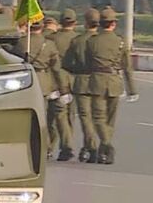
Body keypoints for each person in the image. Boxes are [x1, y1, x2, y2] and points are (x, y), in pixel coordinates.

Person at [86, 7, 138, 165]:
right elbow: (127, 67)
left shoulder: (92, 41)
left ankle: (106, 145)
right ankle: (105, 150)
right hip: (115, 82)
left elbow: (87, 62)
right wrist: (132, 90)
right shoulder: (121, 42)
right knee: (110, 120)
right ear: (113, 24)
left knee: (98, 118)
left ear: (100, 24)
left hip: (97, 81)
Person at [16, 20, 71, 159]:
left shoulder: (21, 42)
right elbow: (56, 68)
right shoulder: (49, 44)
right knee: (46, 117)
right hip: (45, 82)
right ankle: (50, 147)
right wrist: (63, 89)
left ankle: (44, 147)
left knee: (35, 117)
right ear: (41, 27)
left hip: (27, 80)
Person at [63, 8, 101, 162]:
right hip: (100, 81)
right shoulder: (102, 40)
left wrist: (77, 69)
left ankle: (91, 147)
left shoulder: (77, 41)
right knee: (98, 117)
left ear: (85, 22)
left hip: (82, 81)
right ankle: (93, 146)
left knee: (85, 117)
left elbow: (67, 63)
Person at [46, 9, 79, 161]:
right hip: (72, 79)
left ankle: (52, 146)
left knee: (54, 116)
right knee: (69, 115)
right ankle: (67, 145)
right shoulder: (78, 39)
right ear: (75, 22)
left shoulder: (51, 39)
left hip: (54, 80)